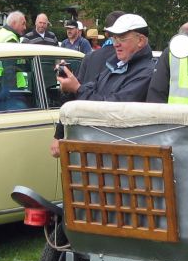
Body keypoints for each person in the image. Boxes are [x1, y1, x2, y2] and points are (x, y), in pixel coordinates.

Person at [50, 13, 156, 156]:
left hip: (123, 154)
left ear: (141, 41)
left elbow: (113, 108)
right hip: (101, 149)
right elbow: (90, 89)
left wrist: (77, 88)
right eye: (115, 38)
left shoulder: (146, 72)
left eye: (122, 38)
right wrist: (71, 86)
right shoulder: (115, 64)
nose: (116, 43)